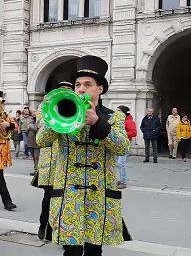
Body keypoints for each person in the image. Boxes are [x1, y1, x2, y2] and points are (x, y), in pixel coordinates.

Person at [36, 55, 130, 256]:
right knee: (70, 251)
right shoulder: (62, 109)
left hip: (100, 197)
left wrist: (98, 123)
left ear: (100, 89)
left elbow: (122, 148)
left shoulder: (115, 117)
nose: (80, 89)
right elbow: (41, 141)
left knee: (95, 251)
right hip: (69, 196)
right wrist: (59, 121)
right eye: (78, 84)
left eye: (88, 84)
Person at [34, 80, 73, 242]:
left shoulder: (75, 105)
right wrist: (57, 113)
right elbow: (41, 124)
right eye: (62, 90)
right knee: (49, 196)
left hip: (67, 158)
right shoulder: (45, 106)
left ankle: (63, 230)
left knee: (66, 198)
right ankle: (44, 226)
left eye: (68, 90)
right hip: (50, 159)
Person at [117, 106, 136, 189]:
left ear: (123, 112)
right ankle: (121, 179)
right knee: (119, 163)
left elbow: (134, 132)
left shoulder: (129, 121)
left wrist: (122, 134)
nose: (116, 112)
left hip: (125, 143)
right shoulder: (120, 120)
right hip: (119, 143)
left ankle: (123, 182)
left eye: (118, 111)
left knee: (121, 163)